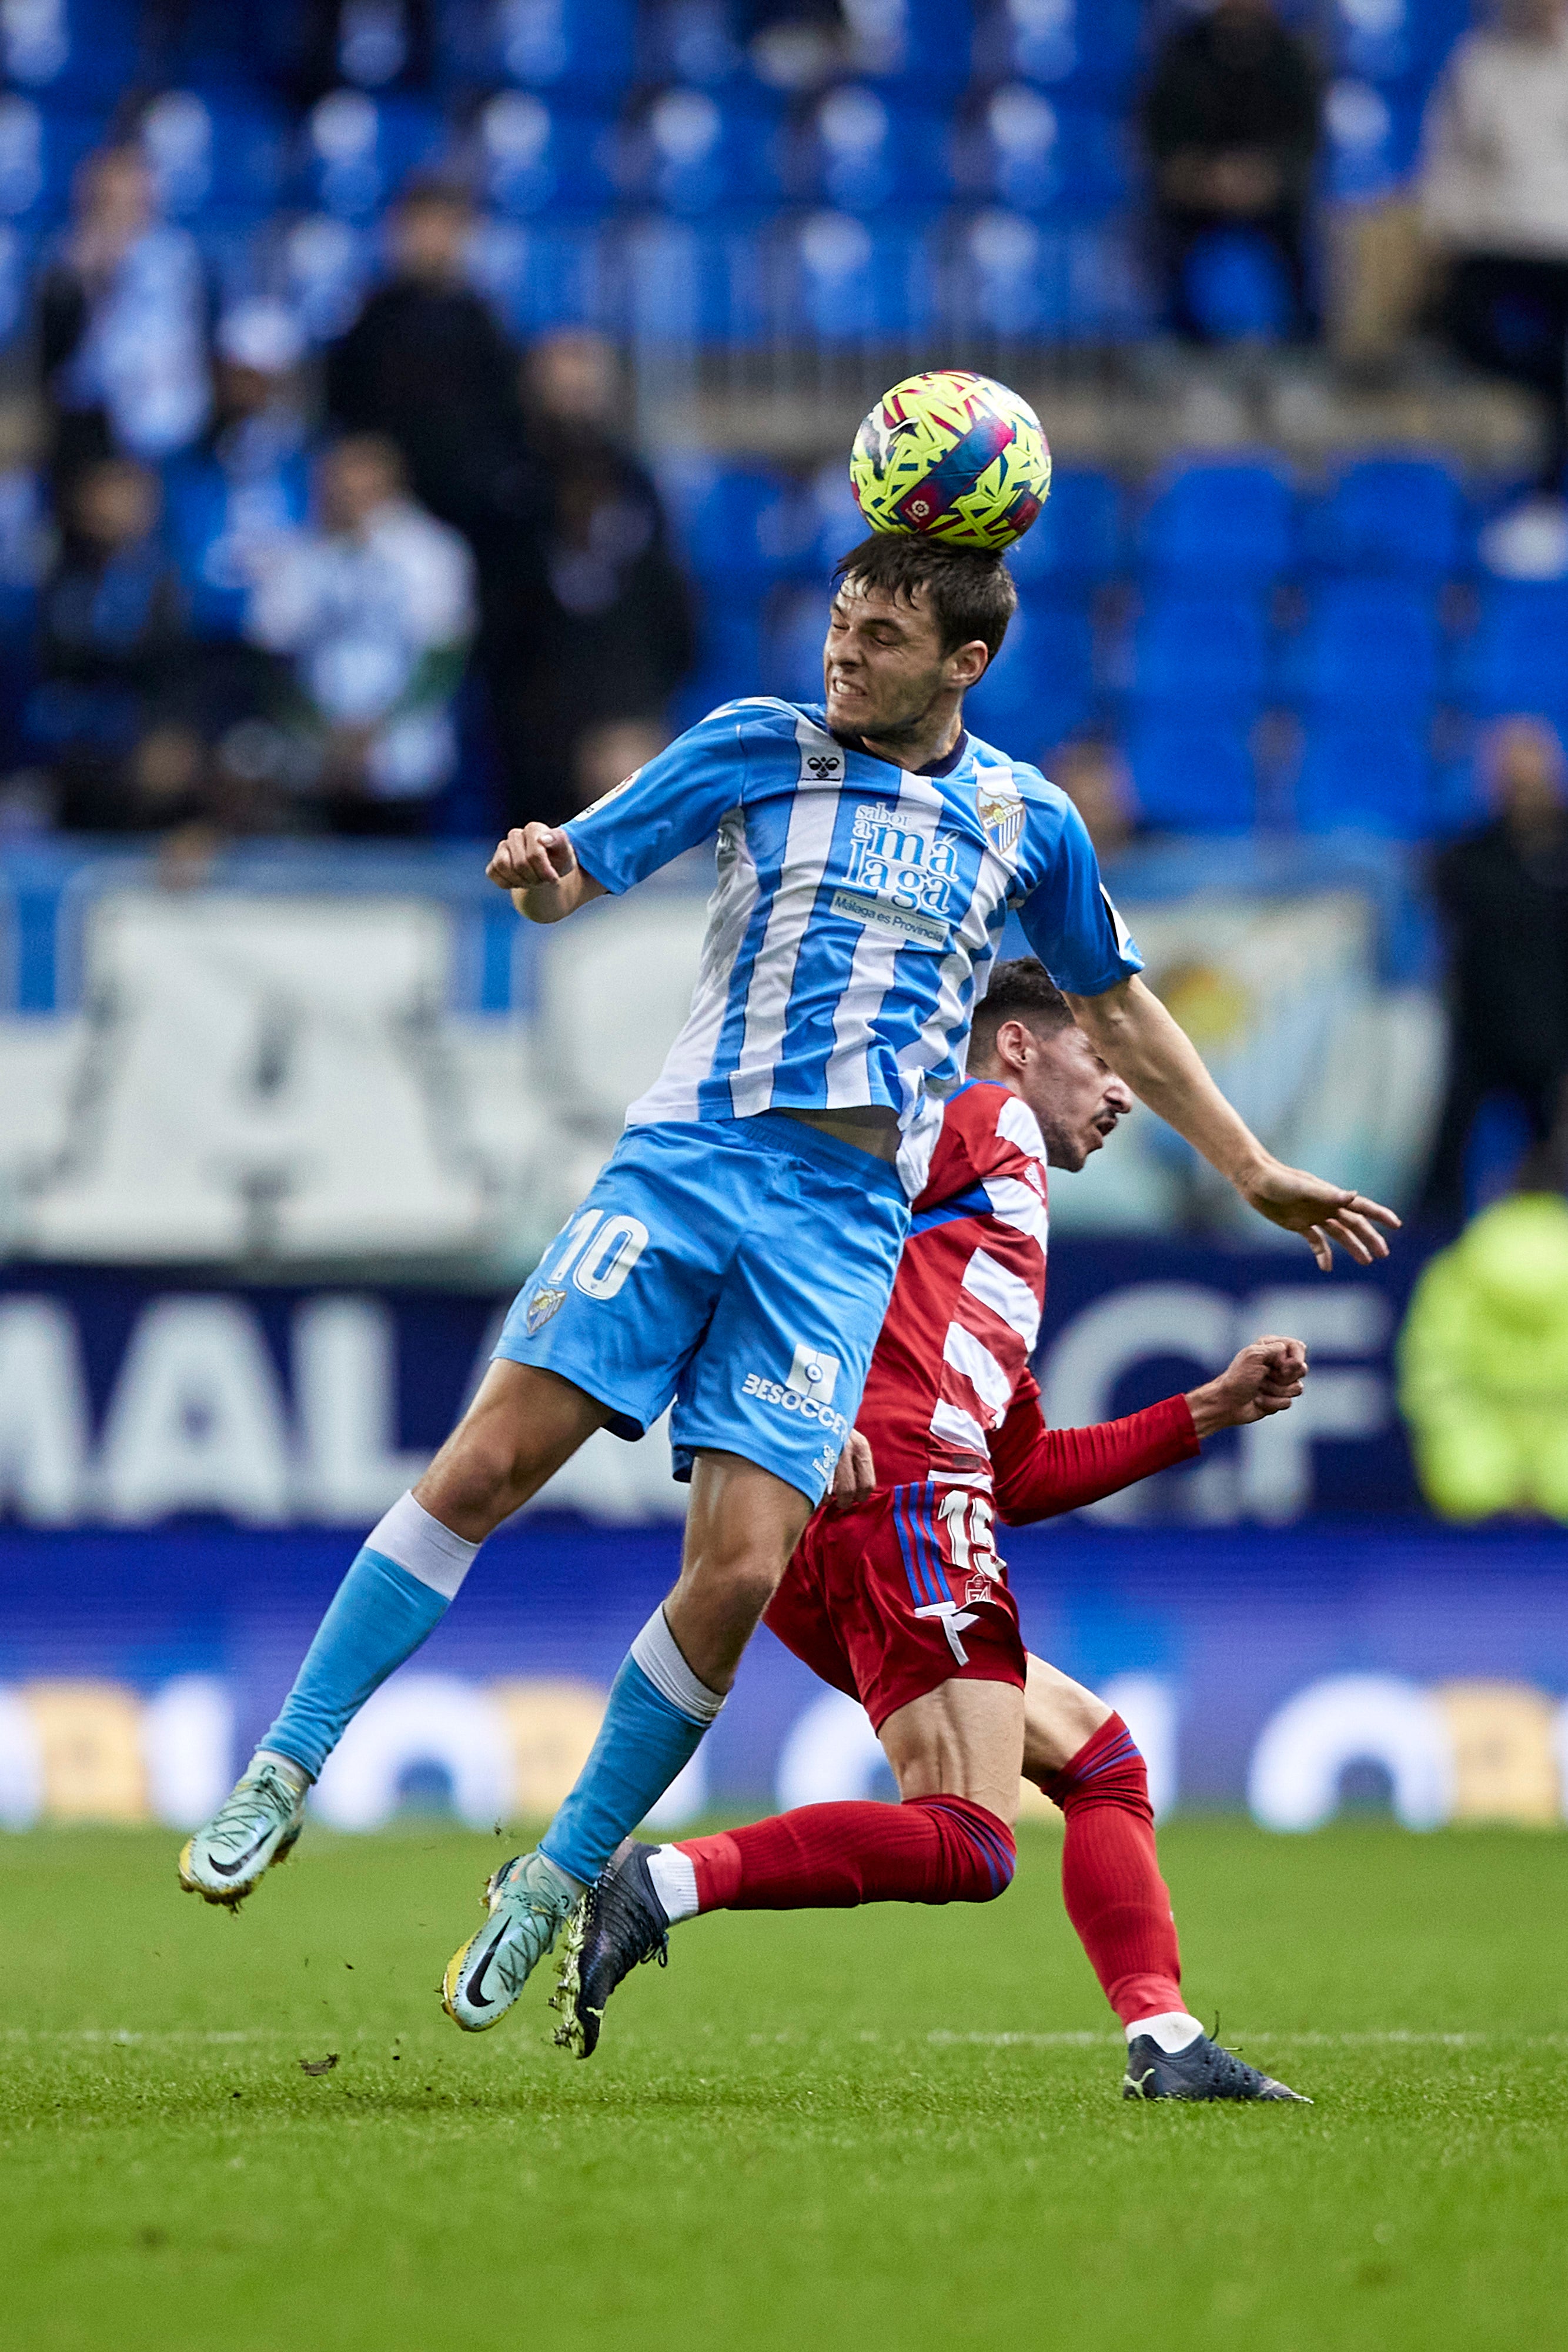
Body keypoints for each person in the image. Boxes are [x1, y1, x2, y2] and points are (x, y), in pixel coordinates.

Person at [176, 528, 1395, 2030]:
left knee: (744, 1571)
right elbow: (584, 867)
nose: (844, 652)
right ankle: (283, 1767)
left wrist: (1254, 1167)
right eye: (839, 621)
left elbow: (1121, 1005)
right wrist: (543, 870)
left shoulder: (1026, 817)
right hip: (689, 1163)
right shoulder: (759, 746)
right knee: (490, 1459)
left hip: (837, 1231)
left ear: (966, 662)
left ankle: (557, 1877)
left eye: (882, 636)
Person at [556, 962, 1309, 2102]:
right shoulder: (976, 1116)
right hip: (898, 1494)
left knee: (1098, 1759)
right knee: (968, 1837)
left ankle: (1164, 2038)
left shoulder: (985, 1242)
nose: (1121, 1095)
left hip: (882, 1507)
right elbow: (782, 1220)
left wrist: (1202, 1410)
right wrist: (816, 1401)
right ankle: (660, 1882)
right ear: (1016, 1045)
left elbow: (1023, 1468)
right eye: (1102, 1063)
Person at [485, 330, 696, 827]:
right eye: (564, 390)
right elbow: (501, 620)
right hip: (535, 722)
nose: (577, 407)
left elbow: (667, 610)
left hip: (627, 705)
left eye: (587, 390)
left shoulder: (636, 487)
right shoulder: (507, 493)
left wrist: (637, 709)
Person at [244, 432, 476, 836]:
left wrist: (375, 732)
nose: (350, 496)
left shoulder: (432, 554)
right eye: (339, 483)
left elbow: (444, 658)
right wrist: (324, 732)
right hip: (316, 762)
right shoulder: (295, 556)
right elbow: (272, 661)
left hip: (405, 760)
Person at [1421, 0, 1568, 530]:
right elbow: (1448, 160)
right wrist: (1446, 236)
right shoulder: (1476, 62)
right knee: (1468, 328)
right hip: (1495, 242)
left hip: (1562, 244)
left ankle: (1548, 494)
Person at [1421, 716, 1568, 1222]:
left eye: (1531, 775)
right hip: (1481, 1036)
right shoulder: (1466, 859)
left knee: (1552, 1159)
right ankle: (1424, 1250)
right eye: (1510, 776)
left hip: (1555, 1039)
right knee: (1444, 1155)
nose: (1522, 788)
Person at [30, 455, 201, 831]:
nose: (103, 505)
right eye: (96, 493)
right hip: (71, 739)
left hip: (143, 737)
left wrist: (169, 734)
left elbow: (174, 673)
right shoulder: (60, 575)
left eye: (119, 493)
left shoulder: (167, 583)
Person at [1139, 0, 1321, 342]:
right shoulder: (1182, 55)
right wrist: (1204, 177)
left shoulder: (1291, 58)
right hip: (1196, 197)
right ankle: (1183, 349)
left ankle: (1299, 352)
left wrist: (1266, 177)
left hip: (1271, 199)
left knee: (1305, 237)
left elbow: (1305, 145)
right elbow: (1161, 141)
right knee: (1165, 235)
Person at [36, 143, 211, 480]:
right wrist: (87, 278)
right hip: (92, 425)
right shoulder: (64, 255)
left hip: (172, 415)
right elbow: (59, 361)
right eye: (107, 196)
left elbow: (193, 335)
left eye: (130, 193)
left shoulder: (178, 254)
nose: (120, 207)